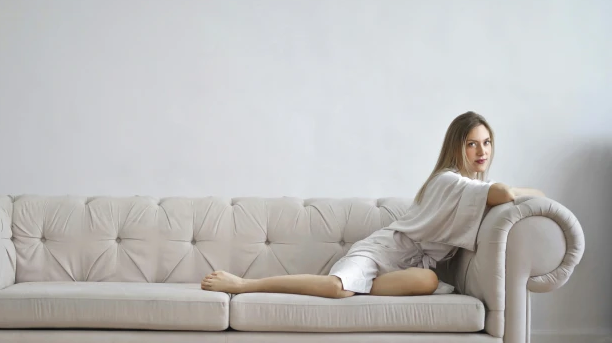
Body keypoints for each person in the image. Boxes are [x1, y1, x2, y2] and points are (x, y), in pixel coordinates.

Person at [200, 111, 545, 298]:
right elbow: (503, 193)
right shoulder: (449, 180)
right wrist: (534, 193)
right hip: (384, 251)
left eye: (486, 143)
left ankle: (361, 287)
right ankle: (244, 285)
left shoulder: (470, 187)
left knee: (427, 280)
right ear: (457, 147)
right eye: (472, 144)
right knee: (337, 289)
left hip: (409, 268)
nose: (481, 151)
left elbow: (499, 193)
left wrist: (530, 195)